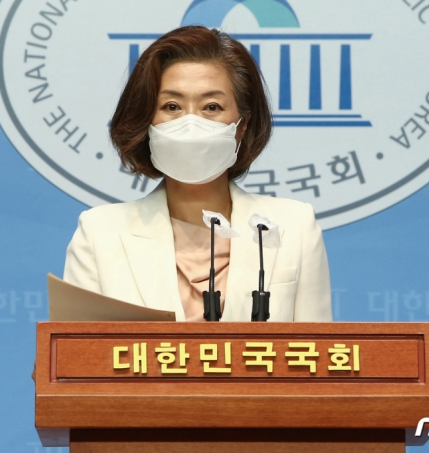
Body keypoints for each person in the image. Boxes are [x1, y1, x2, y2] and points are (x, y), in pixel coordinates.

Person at [63, 26, 332, 322]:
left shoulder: (294, 227)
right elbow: (78, 348)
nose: (190, 123)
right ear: (146, 120)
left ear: (242, 125)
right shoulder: (100, 233)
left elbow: (319, 347)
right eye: (172, 106)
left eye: (211, 107)